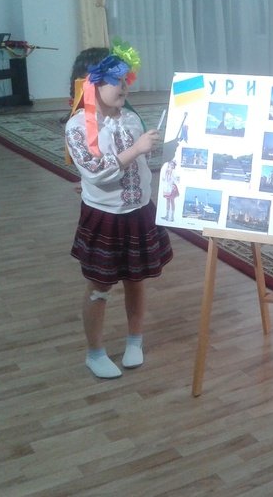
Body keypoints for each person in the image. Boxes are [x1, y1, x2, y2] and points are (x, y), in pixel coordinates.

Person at [65, 42, 173, 379]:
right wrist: (136, 150)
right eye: (116, 80)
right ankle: (94, 352)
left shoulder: (130, 118)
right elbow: (97, 171)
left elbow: (142, 162)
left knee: (135, 280)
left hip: (138, 212)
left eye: (127, 79)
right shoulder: (78, 126)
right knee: (99, 286)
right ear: (90, 84)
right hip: (104, 218)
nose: (125, 86)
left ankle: (134, 340)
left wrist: (161, 152)